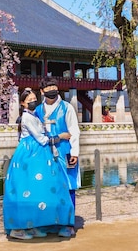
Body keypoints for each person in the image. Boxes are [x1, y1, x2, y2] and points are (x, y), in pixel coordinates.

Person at [3, 88, 75, 240]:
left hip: (38, 153)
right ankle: (20, 226)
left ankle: (35, 224)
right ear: (22, 103)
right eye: (30, 101)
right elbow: (41, 139)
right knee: (28, 189)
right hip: (31, 154)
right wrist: (60, 137)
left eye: (34, 99)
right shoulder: (27, 118)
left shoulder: (33, 115)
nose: (33, 103)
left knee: (36, 190)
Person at [34, 77, 80, 238]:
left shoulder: (66, 108)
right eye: (48, 87)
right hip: (45, 154)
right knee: (46, 187)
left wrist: (74, 152)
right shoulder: (38, 111)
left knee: (68, 186)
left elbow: (74, 131)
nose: (52, 89)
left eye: (54, 86)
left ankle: (67, 223)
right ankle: (50, 222)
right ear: (42, 91)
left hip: (65, 152)